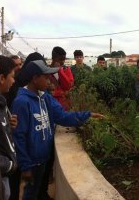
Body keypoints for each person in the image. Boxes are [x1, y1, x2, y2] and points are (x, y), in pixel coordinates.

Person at [12, 60, 104, 200]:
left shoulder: (45, 97)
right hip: (31, 161)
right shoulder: (22, 102)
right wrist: (25, 166)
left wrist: (88, 115)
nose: (49, 80)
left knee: (38, 189)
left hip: (43, 157)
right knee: (30, 193)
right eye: (46, 77)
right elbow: (19, 136)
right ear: (35, 79)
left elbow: (62, 116)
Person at [5, 52, 46, 200]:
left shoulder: (26, 88)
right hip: (11, 146)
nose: (16, 72)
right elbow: (20, 133)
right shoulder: (20, 93)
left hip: (12, 142)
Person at [0, 55, 18, 200]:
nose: (14, 80)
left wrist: (8, 127)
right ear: (2, 78)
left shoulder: (1, 103)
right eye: (12, 76)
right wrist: (9, 165)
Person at [49, 46, 74, 111]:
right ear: (53, 58)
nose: (62, 62)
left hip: (66, 107)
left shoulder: (66, 69)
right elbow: (48, 92)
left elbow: (68, 86)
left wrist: (60, 71)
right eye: (60, 59)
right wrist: (63, 93)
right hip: (52, 107)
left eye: (64, 59)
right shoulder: (47, 72)